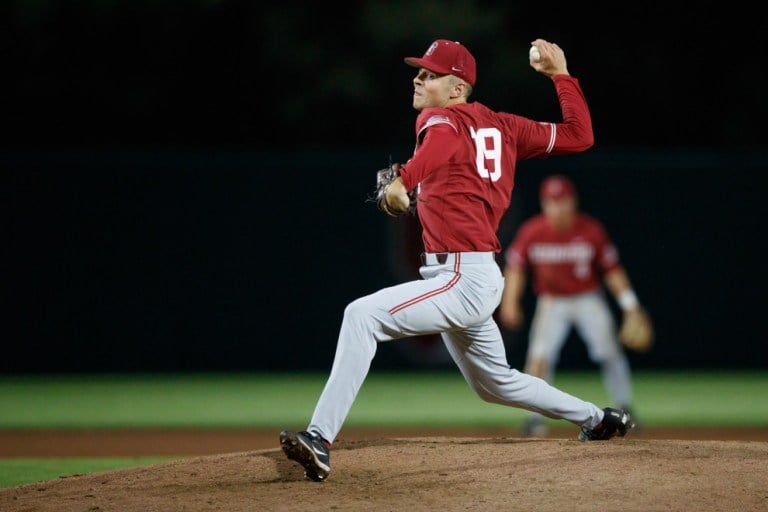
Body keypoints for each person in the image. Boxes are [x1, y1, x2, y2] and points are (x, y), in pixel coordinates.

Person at [279, 38, 634, 482]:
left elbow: (442, 141)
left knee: (360, 316)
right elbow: (581, 136)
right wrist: (561, 76)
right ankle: (597, 419)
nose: (418, 77)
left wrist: (406, 178)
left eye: (430, 74)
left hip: (462, 275)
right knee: (496, 384)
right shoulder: (506, 127)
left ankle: (319, 439)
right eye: (419, 71)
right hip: (472, 274)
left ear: (458, 88)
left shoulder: (439, 117)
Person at [498, 174, 652, 437]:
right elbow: (515, 268)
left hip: (587, 298)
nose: (557, 207)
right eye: (551, 201)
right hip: (552, 301)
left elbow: (612, 270)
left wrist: (630, 305)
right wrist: (510, 302)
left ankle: (625, 406)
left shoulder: (590, 230)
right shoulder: (533, 231)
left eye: (562, 200)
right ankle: (534, 419)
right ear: (544, 203)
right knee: (538, 360)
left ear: (573, 201)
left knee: (610, 352)